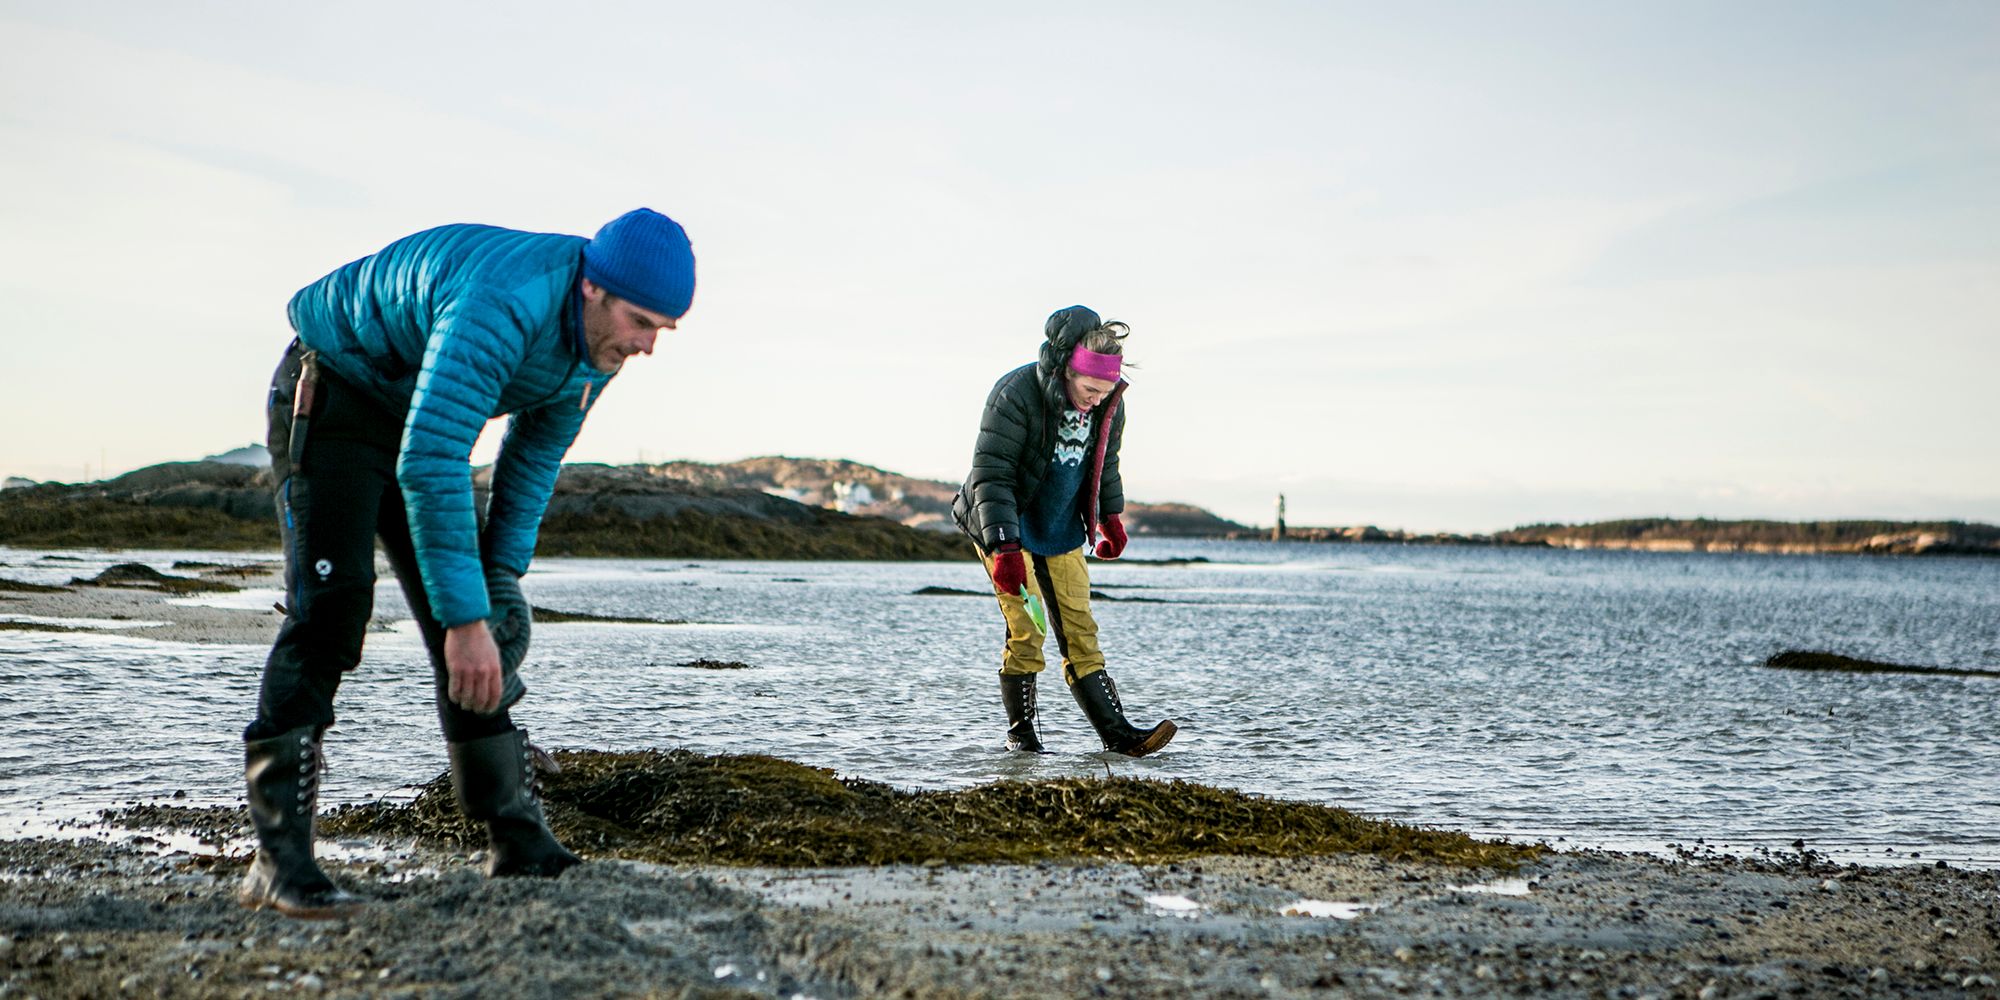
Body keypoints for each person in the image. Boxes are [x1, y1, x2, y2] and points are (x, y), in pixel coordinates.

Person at [239, 209, 696, 919]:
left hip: (413, 414)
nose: (647, 346)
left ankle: (514, 838)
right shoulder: (507, 301)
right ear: (592, 290)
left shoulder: (595, 353)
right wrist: (466, 619)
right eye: (641, 322)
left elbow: (532, 461)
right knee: (334, 609)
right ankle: (280, 861)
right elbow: (432, 459)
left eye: (662, 331)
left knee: (475, 608)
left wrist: (501, 580)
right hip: (336, 392)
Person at [951, 306, 1177, 757]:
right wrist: (1005, 548)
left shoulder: (1109, 403)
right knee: (1027, 631)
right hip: (1005, 527)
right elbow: (990, 476)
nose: (1096, 400)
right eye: (1090, 389)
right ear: (1067, 371)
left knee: (1080, 629)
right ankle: (1023, 738)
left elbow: (1105, 465)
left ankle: (1119, 736)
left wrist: (1110, 517)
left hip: (1060, 528)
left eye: (1105, 391)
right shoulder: (1015, 394)